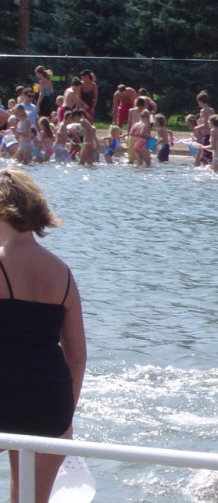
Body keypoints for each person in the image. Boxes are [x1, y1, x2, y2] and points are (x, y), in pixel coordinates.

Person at [0, 167, 86, 503]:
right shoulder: (62, 271)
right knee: (31, 499)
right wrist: (65, 412)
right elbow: (77, 356)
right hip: (49, 399)